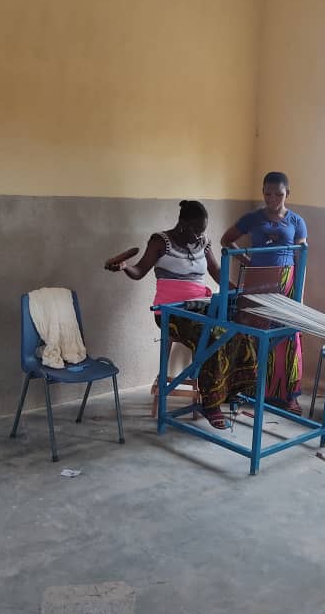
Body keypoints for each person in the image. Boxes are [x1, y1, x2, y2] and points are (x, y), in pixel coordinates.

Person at [105, 200, 257, 430]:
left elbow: (218, 275)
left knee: (240, 330)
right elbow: (139, 272)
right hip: (170, 313)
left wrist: (241, 293)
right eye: (195, 230)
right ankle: (210, 403)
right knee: (213, 336)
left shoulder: (203, 243)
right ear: (182, 223)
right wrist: (125, 266)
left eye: (202, 231)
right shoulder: (160, 242)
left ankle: (233, 391)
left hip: (201, 306)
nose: (199, 235)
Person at [221, 171, 307, 414]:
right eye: (267, 193)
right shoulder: (252, 218)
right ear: (263, 193)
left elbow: (301, 256)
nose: (272, 199)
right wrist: (247, 260)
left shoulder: (297, 221)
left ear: (287, 194)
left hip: (287, 283)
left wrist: (300, 292)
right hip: (258, 282)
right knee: (252, 334)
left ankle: (288, 394)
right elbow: (226, 239)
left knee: (288, 335)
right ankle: (247, 390)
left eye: (278, 194)